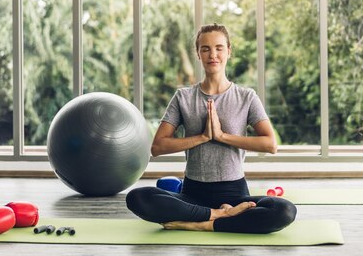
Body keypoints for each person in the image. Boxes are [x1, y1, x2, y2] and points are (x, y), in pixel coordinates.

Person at [126, 23, 297, 234]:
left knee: (284, 210)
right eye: (205, 48)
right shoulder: (184, 97)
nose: (212, 54)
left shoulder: (246, 97)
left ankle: (203, 223)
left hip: (235, 194)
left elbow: (270, 144)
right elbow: (158, 147)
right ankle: (219, 216)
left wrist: (222, 136)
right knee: (137, 197)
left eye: (219, 48)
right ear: (198, 53)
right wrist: (204, 136)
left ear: (229, 51)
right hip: (193, 194)